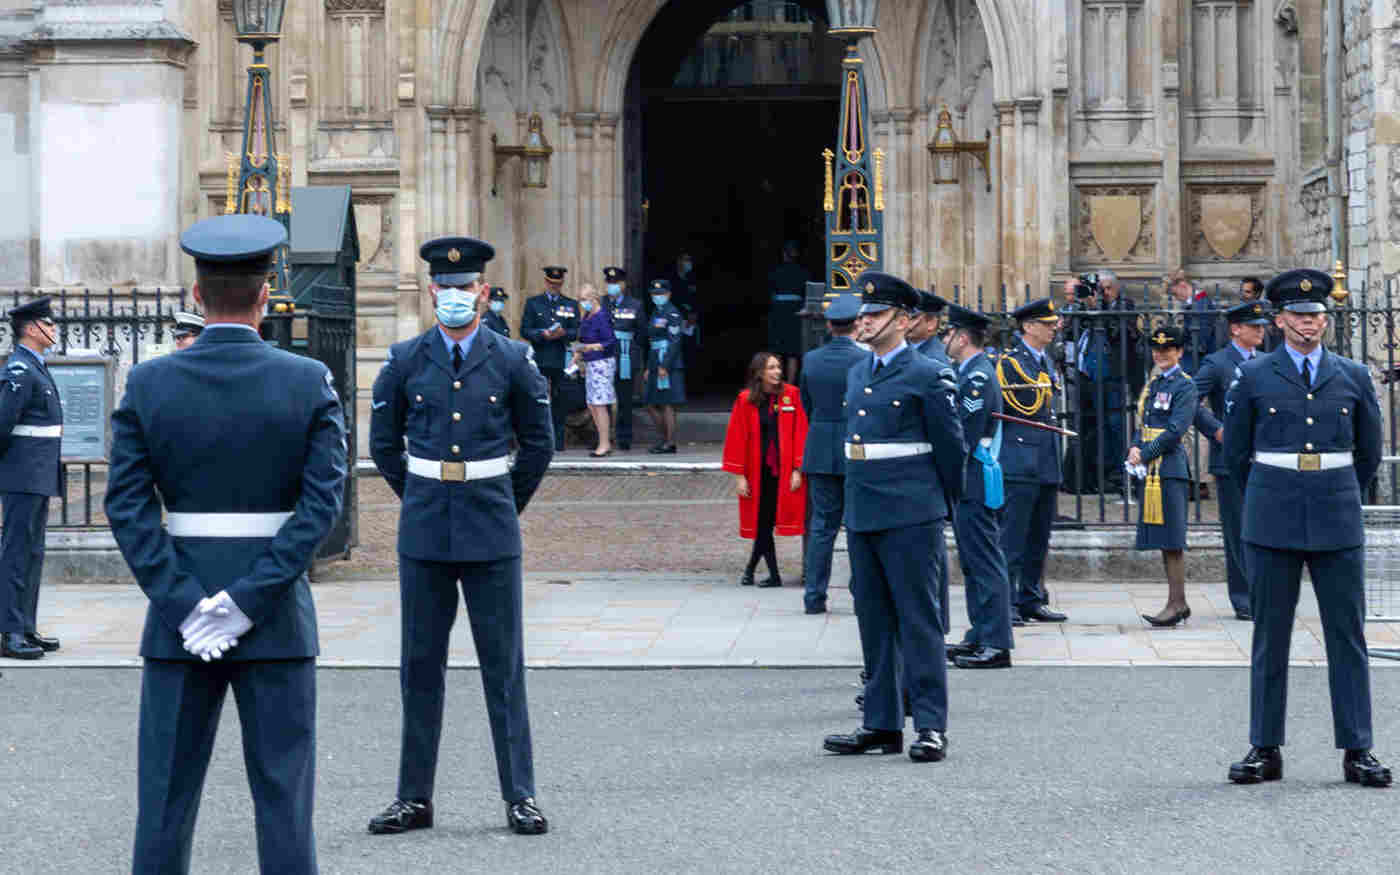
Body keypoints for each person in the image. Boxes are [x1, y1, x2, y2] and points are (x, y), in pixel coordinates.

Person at [105, 214, 348, 873]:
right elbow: (321, 504)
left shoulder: (150, 383)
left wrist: (187, 603)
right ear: (266, 294)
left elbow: (126, 505)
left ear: (195, 293)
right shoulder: (307, 382)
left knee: (163, 806)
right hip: (275, 619)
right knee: (284, 809)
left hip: (179, 621)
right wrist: (245, 601)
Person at [368, 236, 555, 835]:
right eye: (444, 288)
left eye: (464, 287)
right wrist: (423, 495)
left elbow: (539, 444)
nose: (454, 296)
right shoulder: (403, 360)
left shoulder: (511, 359)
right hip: (424, 529)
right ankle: (414, 797)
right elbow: (383, 446)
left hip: (491, 527)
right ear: (430, 292)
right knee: (419, 667)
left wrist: (503, 502)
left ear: (483, 291)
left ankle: (519, 795)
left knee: (503, 669)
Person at [1224, 268, 1391, 788]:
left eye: (1317, 315)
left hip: (1336, 514)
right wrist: (1279, 487)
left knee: (1348, 636)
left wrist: (1334, 488)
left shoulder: (1353, 375)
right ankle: (1264, 747)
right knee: (1270, 637)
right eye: (1298, 315)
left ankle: (1357, 749)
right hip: (1273, 514)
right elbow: (1235, 456)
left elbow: (1367, 453)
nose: (1309, 324)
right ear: (1278, 321)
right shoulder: (1254, 377)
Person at [822, 271, 965, 764]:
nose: (864, 321)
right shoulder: (859, 371)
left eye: (876, 313)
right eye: (863, 313)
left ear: (904, 320)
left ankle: (930, 725)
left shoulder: (929, 373)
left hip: (911, 510)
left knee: (919, 621)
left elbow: (951, 450)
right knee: (874, 620)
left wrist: (938, 507)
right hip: (865, 509)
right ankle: (881, 723)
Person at [943, 303, 1014, 669]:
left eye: (949, 333)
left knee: (986, 560)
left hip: (973, 474)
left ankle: (997, 643)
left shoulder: (978, 377)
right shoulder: (964, 372)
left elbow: (963, 434)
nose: (945, 339)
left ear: (963, 337)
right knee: (973, 561)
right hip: (966, 477)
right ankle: (979, 633)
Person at [1192, 300, 1271, 620]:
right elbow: (1190, 400)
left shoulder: (1268, 361)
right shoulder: (1218, 362)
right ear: (1236, 329)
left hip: (1266, 456)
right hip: (1231, 459)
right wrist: (1216, 430)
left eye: (1263, 326)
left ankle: (1266, 592)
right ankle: (1244, 597)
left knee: (1267, 527)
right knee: (1238, 528)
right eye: (1255, 327)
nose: (1261, 331)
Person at [998, 298, 1069, 623]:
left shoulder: (1044, 362)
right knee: (1013, 538)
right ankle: (1008, 601)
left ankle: (1031, 597)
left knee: (1039, 536)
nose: (1054, 328)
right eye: (1047, 323)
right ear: (1028, 327)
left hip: (1045, 459)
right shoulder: (1011, 364)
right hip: (1020, 458)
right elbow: (1017, 409)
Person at [0, 296, 63, 661]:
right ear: (31, 328)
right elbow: (3, 424)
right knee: (17, 554)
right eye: (49, 324)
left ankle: (25, 626)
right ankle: (10, 633)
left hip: (36, 475)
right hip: (23, 475)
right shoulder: (20, 370)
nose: (54, 329)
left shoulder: (35, 366)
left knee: (33, 554)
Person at [798, 292, 866, 614]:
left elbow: (806, 404)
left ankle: (814, 596)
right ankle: (860, 593)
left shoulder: (811, 360)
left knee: (822, 527)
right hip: (854, 447)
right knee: (856, 524)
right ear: (856, 325)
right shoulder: (864, 360)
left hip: (821, 446)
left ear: (828, 325)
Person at [1128, 327, 1198, 627]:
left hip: (1168, 468)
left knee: (1172, 539)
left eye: (1168, 349)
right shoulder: (1154, 383)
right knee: (1164, 540)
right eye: (1157, 350)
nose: (1161, 354)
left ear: (1180, 352)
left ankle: (1177, 602)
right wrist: (1134, 445)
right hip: (1152, 467)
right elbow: (1143, 420)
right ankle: (1176, 601)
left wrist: (1145, 452)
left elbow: (1175, 431)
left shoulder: (1185, 386)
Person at [722, 352, 808, 587]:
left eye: (778, 367)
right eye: (771, 368)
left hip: (782, 472)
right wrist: (740, 476)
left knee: (765, 523)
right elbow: (737, 437)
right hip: (757, 472)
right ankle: (769, 574)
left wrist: (798, 469)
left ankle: (756, 571)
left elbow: (801, 432)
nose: (777, 372)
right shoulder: (746, 399)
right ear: (759, 372)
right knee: (762, 523)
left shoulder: (792, 395)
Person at [1068, 271, 1137, 494]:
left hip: (1113, 375)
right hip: (1089, 375)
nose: (1104, 293)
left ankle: (1118, 472)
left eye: (1107, 289)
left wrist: (1100, 308)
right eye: (1101, 289)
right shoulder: (1088, 306)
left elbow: (1118, 332)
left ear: (1115, 288)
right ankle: (1095, 474)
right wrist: (1086, 307)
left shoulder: (1125, 305)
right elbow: (1071, 332)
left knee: (1115, 424)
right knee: (1091, 425)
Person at [520, 265, 579, 450]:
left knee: (560, 400)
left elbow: (576, 331)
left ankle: (558, 440)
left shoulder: (571, 304)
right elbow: (524, 330)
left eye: (558, 284)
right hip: (541, 357)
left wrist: (563, 333)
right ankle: (540, 438)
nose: (555, 287)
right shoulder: (533, 303)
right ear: (546, 282)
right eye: (552, 284)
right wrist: (541, 334)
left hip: (562, 358)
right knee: (539, 399)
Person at [643, 278, 686, 454]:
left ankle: (669, 442)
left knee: (667, 403)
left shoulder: (673, 313)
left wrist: (665, 365)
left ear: (668, 294)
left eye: (660, 294)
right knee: (650, 403)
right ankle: (664, 438)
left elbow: (675, 341)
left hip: (668, 362)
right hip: (654, 360)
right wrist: (648, 367)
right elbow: (652, 341)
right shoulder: (656, 312)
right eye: (654, 294)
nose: (657, 297)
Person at [602, 266, 643, 450]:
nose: (612, 285)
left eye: (616, 282)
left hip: (625, 358)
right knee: (602, 400)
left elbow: (642, 334)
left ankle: (624, 437)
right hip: (602, 358)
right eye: (609, 282)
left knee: (625, 400)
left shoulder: (635, 304)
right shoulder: (600, 303)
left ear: (623, 284)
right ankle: (603, 438)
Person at [575, 284, 618, 457]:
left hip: (602, 363)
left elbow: (610, 341)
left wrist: (590, 347)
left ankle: (605, 444)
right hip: (591, 363)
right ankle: (602, 441)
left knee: (600, 404)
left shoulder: (602, 316)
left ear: (594, 298)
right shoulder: (587, 315)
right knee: (592, 404)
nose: (582, 303)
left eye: (585, 299)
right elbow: (583, 338)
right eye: (580, 300)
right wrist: (579, 352)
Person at [767, 241, 810, 384]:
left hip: (778, 312)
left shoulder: (775, 271)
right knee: (793, 353)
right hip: (795, 312)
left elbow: (769, 292)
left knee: (778, 351)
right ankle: (790, 385)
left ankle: (776, 382)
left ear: (784, 254)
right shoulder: (804, 272)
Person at [1169, 270, 1217, 374]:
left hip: (1199, 353)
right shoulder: (1195, 302)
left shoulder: (1200, 301)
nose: (1176, 298)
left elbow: (1202, 336)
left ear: (1183, 286)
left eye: (1175, 293)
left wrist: (1185, 347)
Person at [909, 291, 948, 363]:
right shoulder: (911, 349)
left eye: (913, 317)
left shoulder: (933, 360)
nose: (906, 321)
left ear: (931, 323)